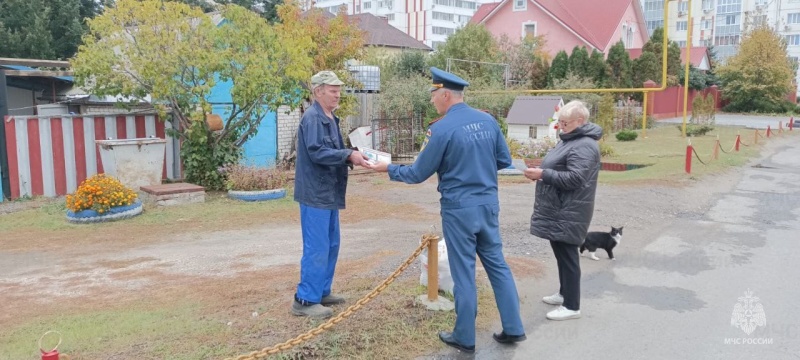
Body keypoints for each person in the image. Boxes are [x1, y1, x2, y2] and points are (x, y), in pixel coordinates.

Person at [367, 67, 526, 353]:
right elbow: (504, 160)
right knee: (498, 265)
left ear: (446, 95)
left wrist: (387, 168)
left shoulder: (440, 129)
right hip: (488, 205)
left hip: (459, 209)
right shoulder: (488, 121)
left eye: (433, 96)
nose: (431, 101)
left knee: (463, 271)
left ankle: (465, 336)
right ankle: (514, 327)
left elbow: (417, 173)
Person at [292, 71, 371, 318]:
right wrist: (348, 155)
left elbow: (332, 151)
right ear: (318, 92)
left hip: (328, 192)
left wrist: (351, 154)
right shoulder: (313, 118)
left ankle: (322, 292)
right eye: (332, 90)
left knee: (331, 244)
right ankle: (305, 300)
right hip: (315, 193)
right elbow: (317, 152)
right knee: (317, 246)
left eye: (338, 90)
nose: (337, 94)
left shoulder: (330, 117)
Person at [524, 100, 602, 321]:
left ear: (580, 121)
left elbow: (576, 178)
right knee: (560, 252)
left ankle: (572, 306)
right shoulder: (569, 140)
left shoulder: (585, 145)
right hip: (560, 208)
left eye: (565, 122)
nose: (560, 126)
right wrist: (542, 171)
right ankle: (563, 293)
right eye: (559, 122)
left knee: (568, 256)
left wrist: (543, 175)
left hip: (571, 210)